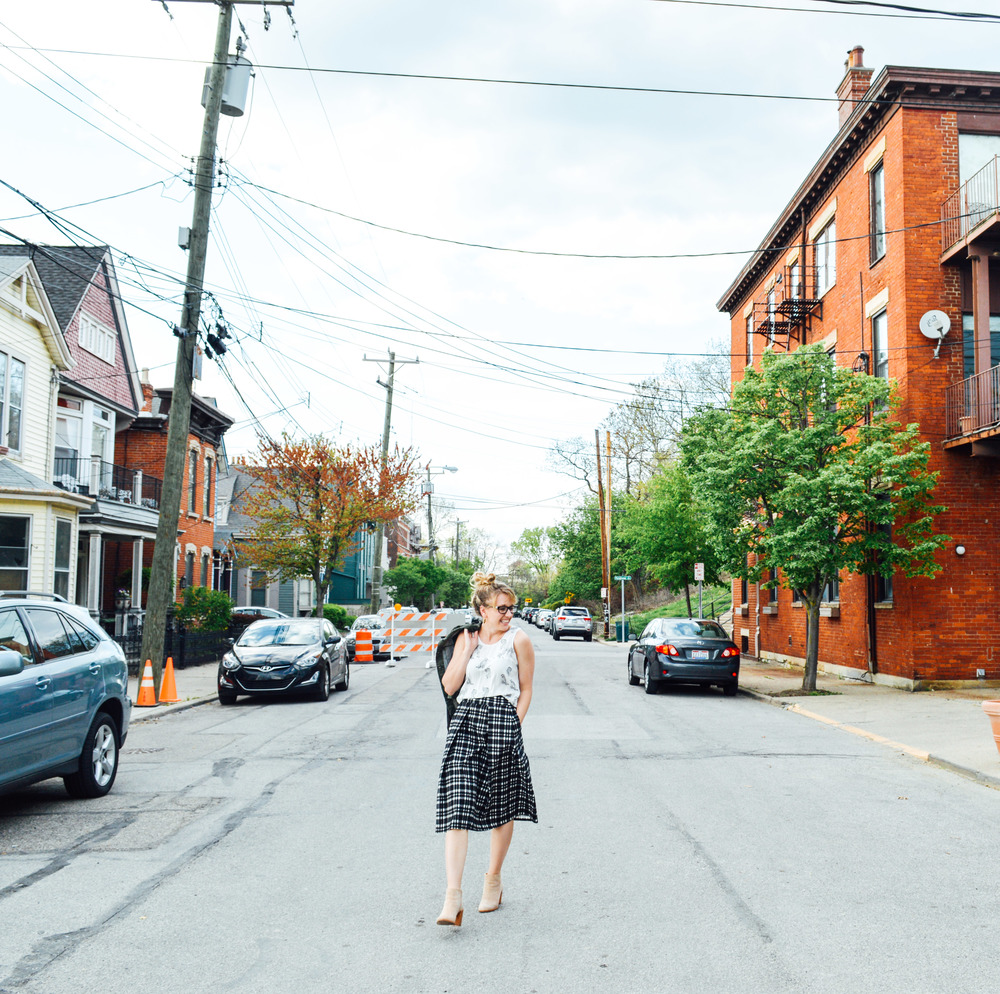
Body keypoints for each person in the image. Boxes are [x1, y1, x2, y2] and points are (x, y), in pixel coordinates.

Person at [435, 572, 537, 926]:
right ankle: (453, 897)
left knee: (501, 806)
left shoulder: (519, 640)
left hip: (502, 721)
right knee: (457, 805)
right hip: (466, 722)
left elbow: (526, 689)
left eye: (511, 608)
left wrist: (514, 724)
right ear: (483, 609)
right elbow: (450, 686)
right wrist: (466, 651)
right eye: (502, 608)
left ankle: (492, 880)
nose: (508, 614)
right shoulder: (465, 638)